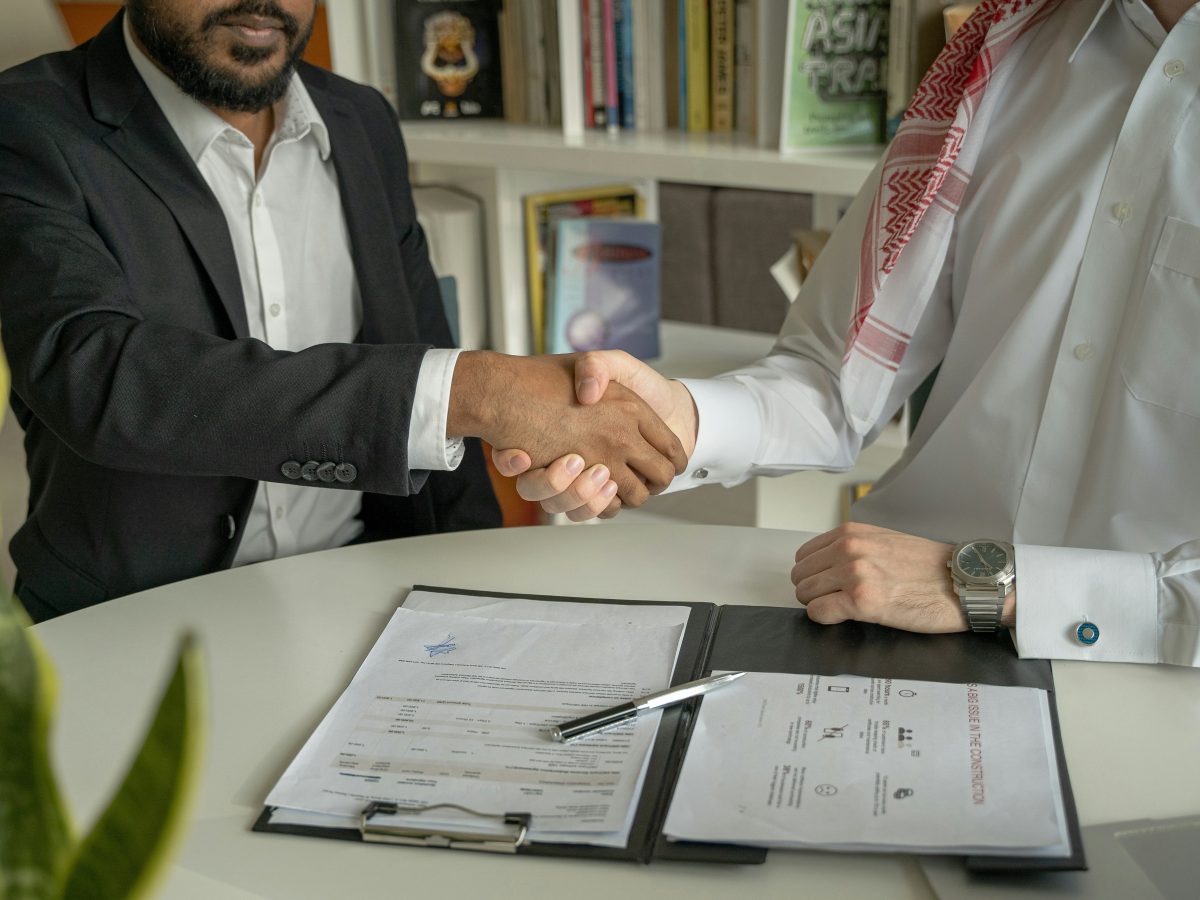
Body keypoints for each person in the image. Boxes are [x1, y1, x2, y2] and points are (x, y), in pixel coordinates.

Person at [496, 0, 1200, 667]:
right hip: (886, 625)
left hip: (1156, 681)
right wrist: (673, 423)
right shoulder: (1006, 47)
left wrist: (998, 589)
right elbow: (833, 378)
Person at [0, 0, 684, 621]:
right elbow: (97, 375)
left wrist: (483, 591)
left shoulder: (361, 119)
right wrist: (476, 391)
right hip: (126, 628)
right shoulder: (27, 123)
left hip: (371, 597)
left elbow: (423, 346)